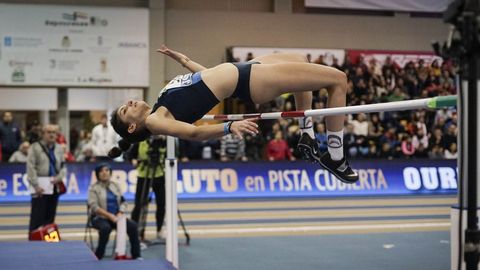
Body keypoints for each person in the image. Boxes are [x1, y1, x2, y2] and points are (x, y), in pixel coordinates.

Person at [109, 45, 358, 183]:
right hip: (250, 80)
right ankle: (336, 156)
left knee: (301, 59)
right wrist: (229, 127)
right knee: (338, 80)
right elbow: (195, 133)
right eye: (125, 109)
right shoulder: (155, 121)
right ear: (132, 127)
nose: (130, 102)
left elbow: (207, 77)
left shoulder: (160, 104)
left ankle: (307, 135)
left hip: (245, 70)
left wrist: (184, 60)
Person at [88, 163, 141, 260]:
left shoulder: (115, 186)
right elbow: (94, 207)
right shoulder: (93, 188)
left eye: (107, 170)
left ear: (110, 173)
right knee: (105, 228)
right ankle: (98, 255)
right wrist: (109, 216)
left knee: (133, 226)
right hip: (100, 218)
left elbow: (124, 202)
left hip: (117, 217)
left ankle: (136, 255)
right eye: (101, 171)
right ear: (97, 174)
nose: (104, 173)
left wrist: (120, 212)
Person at [27, 124, 66, 237]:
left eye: (54, 132)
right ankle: (33, 242)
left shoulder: (59, 148)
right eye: (49, 132)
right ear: (43, 134)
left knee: (50, 217)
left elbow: (63, 167)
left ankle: (49, 242)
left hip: (54, 186)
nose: (52, 135)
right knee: (37, 217)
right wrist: (36, 185)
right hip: (39, 186)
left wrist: (58, 178)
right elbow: (31, 167)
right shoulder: (35, 147)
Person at [127, 136, 166, 243]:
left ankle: (160, 230)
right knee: (140, 204)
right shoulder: (140, 141)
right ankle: (137, 232)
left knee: (162, 204)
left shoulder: (165, 140)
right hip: (144, 175)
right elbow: (130, 155)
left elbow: (173, 155)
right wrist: (134, 160)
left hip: (160, 175)